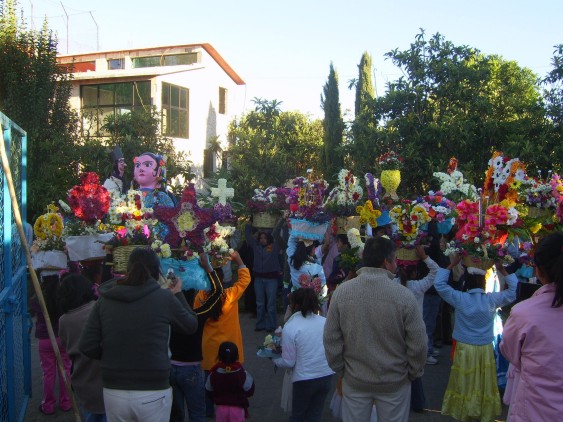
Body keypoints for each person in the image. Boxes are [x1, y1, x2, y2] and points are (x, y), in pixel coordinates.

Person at [79, 248, 198, 422]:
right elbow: (191, 325)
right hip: (154, 390)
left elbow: (87, 345)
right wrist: (178, 293)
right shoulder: (164, 298)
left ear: (127, 269)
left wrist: (113, 357)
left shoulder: (105, 299)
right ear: (157, 271)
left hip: (114, 390)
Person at [323, 236, 427, 422]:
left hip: (355, 379)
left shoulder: (343, 292)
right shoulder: (404, 296)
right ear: (386, 262)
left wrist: (342, 369)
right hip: (394, 382)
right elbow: (418, 343)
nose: (396, 265)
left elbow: (330, 338)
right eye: (394, 260)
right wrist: (412, 373)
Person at [434, 256, 517, 422]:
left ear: (467, 282)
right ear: (484, 283)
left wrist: (451, 265)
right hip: (485, 348)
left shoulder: (460, 298)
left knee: (464, 382)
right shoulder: (492, 300)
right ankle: (480, 412)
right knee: (482, 382)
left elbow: (439, 285)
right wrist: (502, 270)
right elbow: (513, 291)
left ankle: (464, 412)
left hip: (464, 348)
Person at [500, 232, 563, 421]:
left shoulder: (524, 314)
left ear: (539, 270)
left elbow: (511, 353)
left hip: (534, 411)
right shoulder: (524, 314)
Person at [194, 250, 251, 417]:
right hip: (231, 350)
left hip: (209, 351)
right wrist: (239, 260)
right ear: (222, 281)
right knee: (232, 383)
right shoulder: (229, 296)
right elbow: (245, 280)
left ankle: (210, 413)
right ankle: (231, 409)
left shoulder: (201, 297)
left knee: (207, 386)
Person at [169, 254, 224, 422]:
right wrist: (208, 267)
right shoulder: (197, 315)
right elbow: (217, 291)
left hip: (170, 368)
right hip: (191, 369)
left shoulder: (165, 314)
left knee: (175, 415)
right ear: (193, 299)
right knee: (197, 414)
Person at [273, 288, 334, 422]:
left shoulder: (291, 327)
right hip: (326, 375)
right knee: (315, 415)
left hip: (305, 379)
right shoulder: (324, 322)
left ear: (295, 305)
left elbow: (289, 362)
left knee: (298, 416)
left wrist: (274, 359)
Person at [396, 245, 439, 412]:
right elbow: (435, 271)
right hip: (416, 333)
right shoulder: (419, 287)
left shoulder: (393, 284)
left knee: (399, 366)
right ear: (414, 273)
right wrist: (424, 257)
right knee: (414, 369)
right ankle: (418, 402)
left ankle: (405, 400)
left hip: (396, 331)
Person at [58, 274, 106, 422]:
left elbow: (66, 346)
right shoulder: (100, 309)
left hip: (83, 380)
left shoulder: (64, 320)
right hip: (106, 380)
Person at [30, 274, 73, 416]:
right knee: (65, 370)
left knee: (48, 373)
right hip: (62, 337)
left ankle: (48, 405)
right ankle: (66, 402)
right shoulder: (64, 296)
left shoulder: (38, 298)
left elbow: (33, 309)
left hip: (45, 339)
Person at [205, 341, 255, 422]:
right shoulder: (242, 373)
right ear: (237, 356)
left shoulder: (213, 373)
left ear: (219, 356)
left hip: (221, 409)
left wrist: (216, 397)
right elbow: (250, 390)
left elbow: (208, 390)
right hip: (237, 409)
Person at [245, 221, 281, 332]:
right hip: (258, 279)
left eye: (265, 238)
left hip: (271, 280)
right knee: (260, 304)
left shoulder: (274, 247)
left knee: (271, 305)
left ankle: (271, 326)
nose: (262, 240)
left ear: (268, 238)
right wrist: (249, 223)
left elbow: (276, 233)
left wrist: (281, 221)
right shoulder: (256, 247)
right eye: (260, 238)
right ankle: (260, 324)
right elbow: (248, 236)